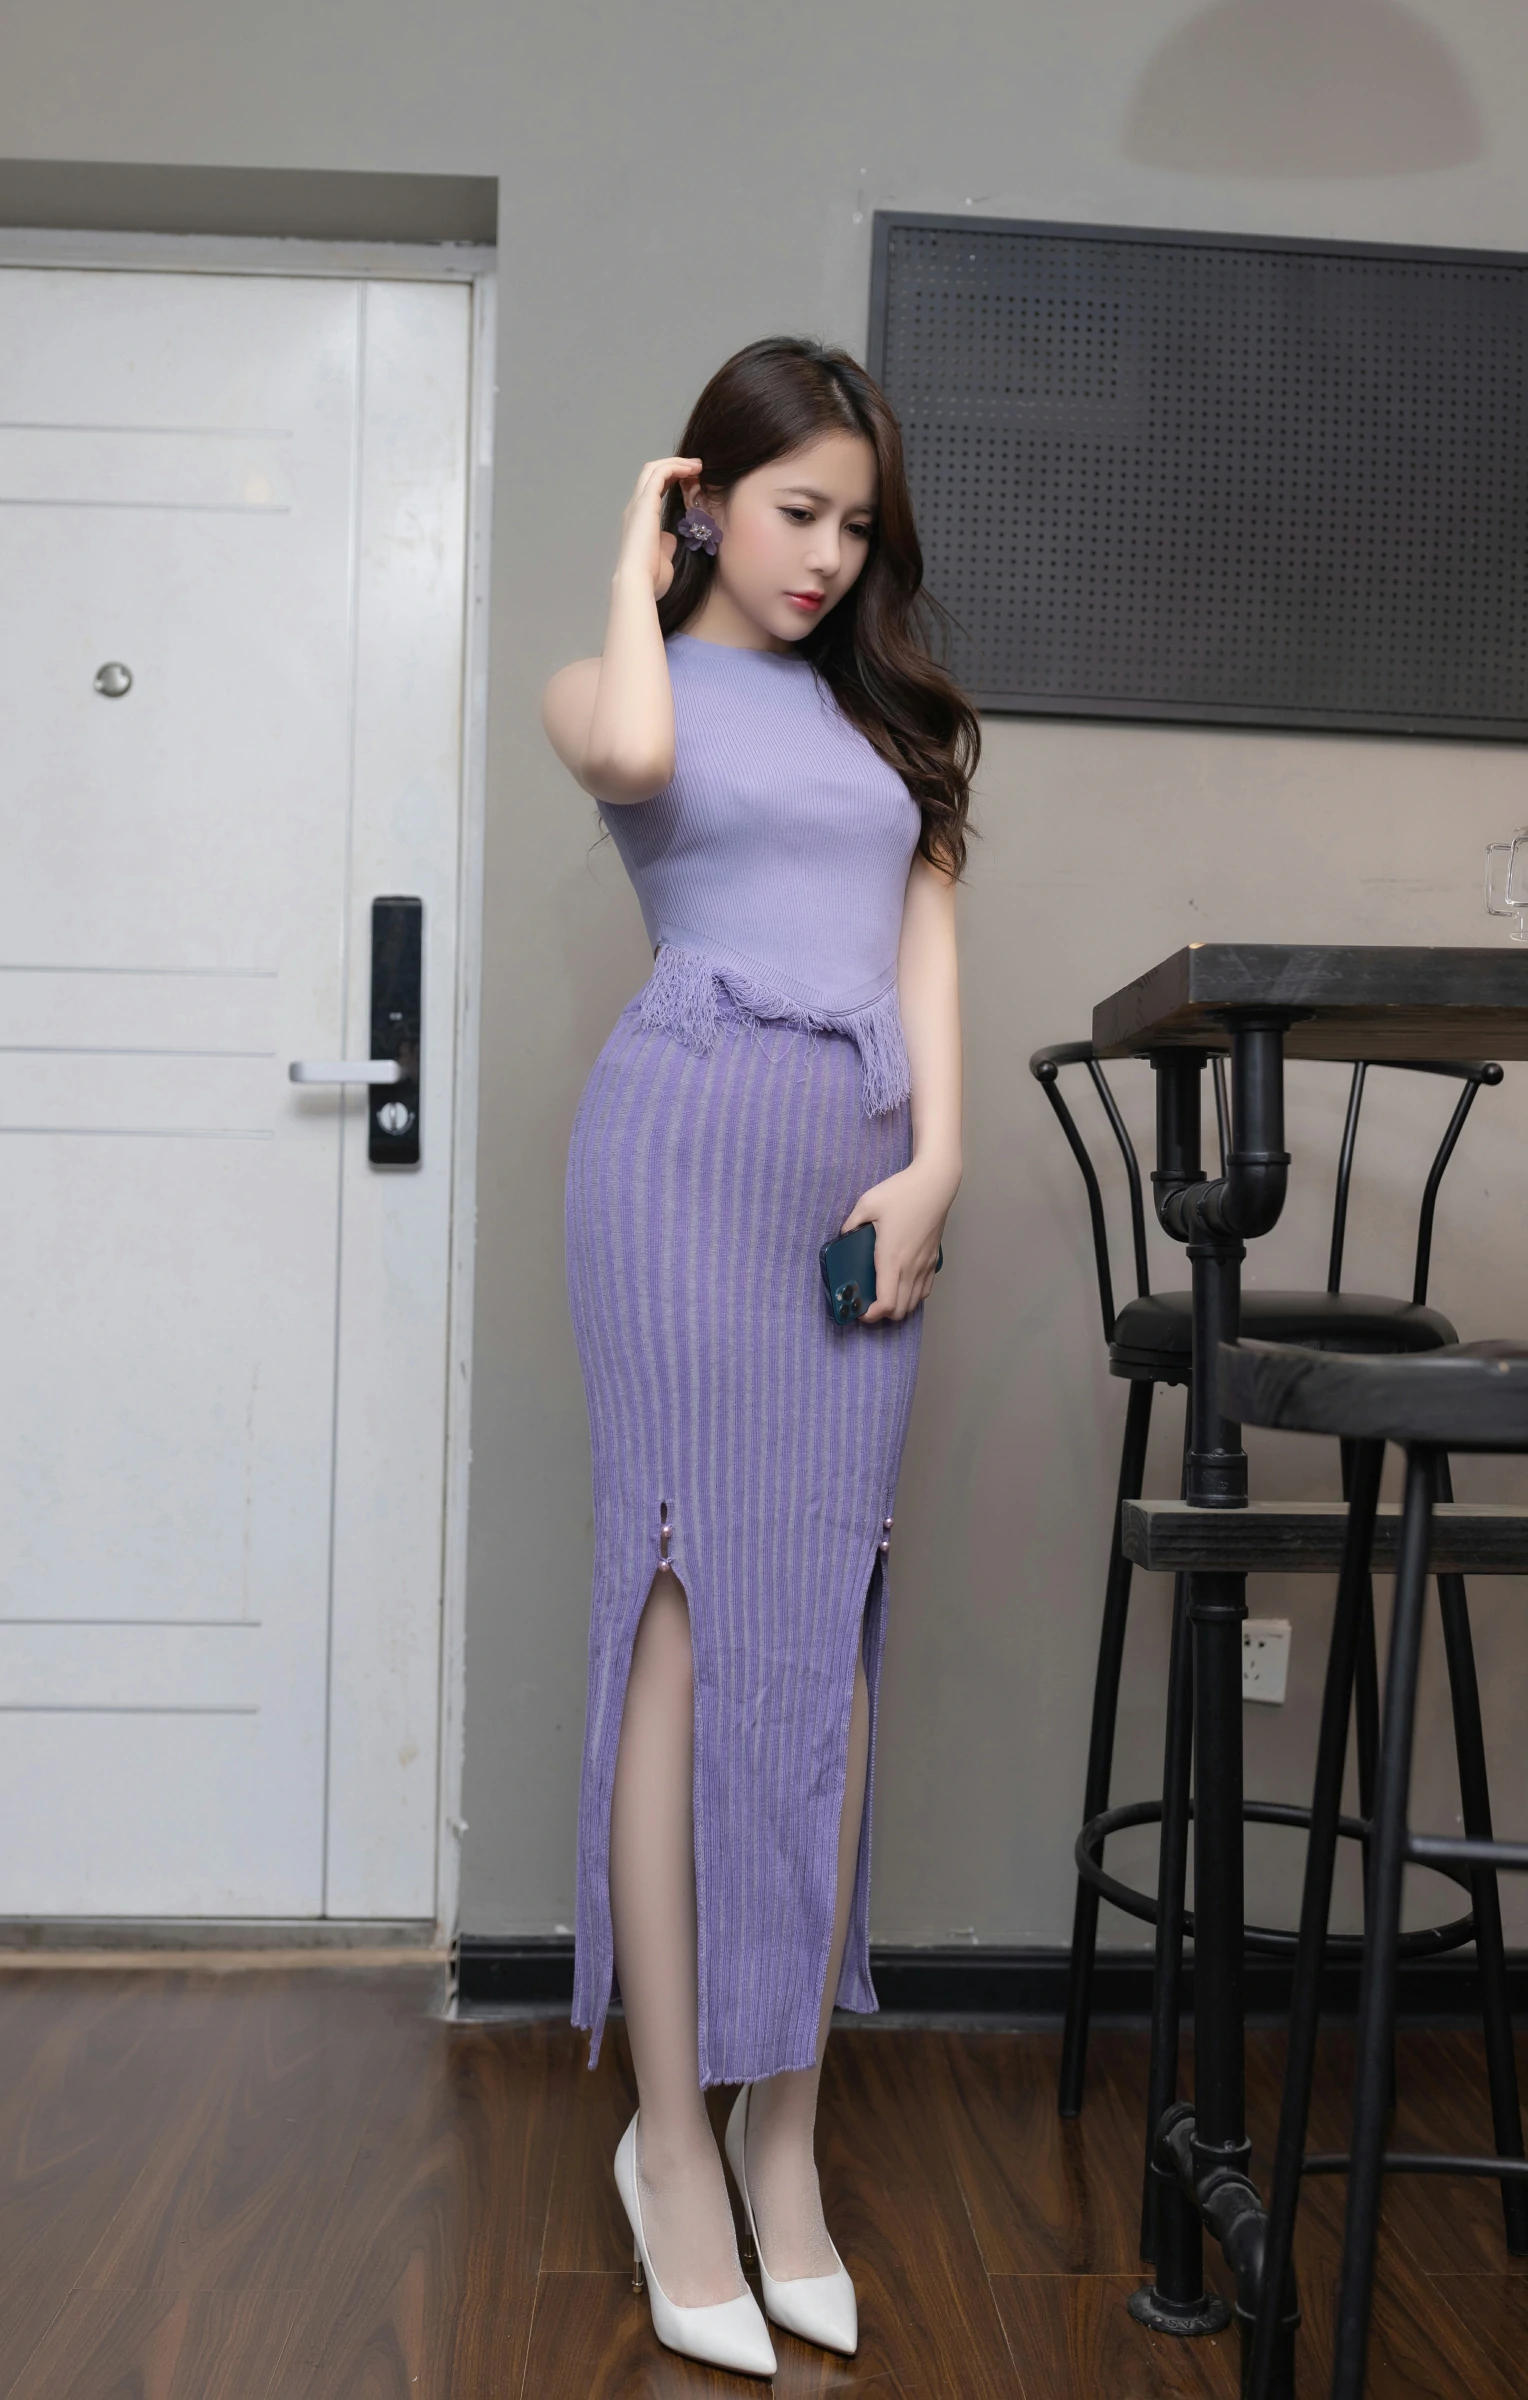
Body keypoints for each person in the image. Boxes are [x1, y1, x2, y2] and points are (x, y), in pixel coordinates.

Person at [542, 334, 977, 2377]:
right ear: (703, 497)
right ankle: (669, 2145)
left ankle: (780, 2134)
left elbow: (926, 942)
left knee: (825, 1634)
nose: (825, 558)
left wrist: (938, 1164)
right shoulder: (607, 680)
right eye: (793, 511)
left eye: (856, 527)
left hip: (853, 1186)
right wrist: (636, 560)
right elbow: (636, 760)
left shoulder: (889, 723)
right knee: (684, 1624)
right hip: (678, 1158)